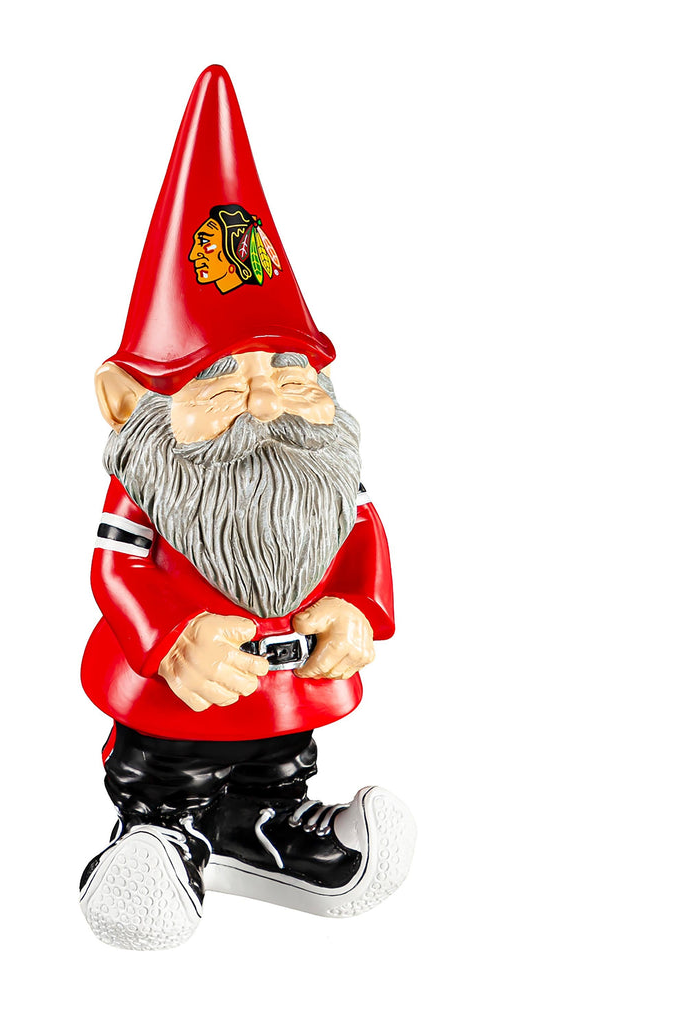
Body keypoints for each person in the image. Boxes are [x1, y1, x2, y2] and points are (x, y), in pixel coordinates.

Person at [78, 66, 416, 950]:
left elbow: (361, 537)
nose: (265, 401)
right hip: (179, 687)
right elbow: (116, 569)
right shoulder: (154, 478)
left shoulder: (320, 471)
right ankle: (159, 836)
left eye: (288, 374)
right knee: (167, 765)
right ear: (128, 402)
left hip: (285, 683)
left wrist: (358, 609)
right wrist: (171, 639)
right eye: (222, 380)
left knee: (281, 757)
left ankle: (267, 827)